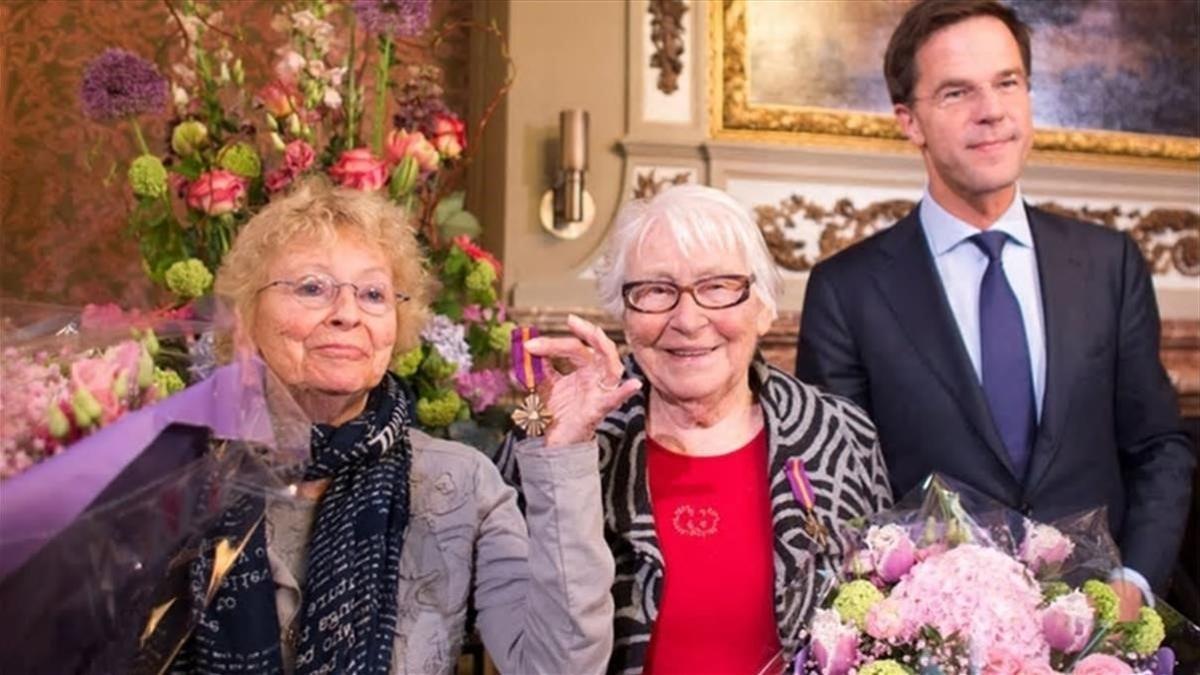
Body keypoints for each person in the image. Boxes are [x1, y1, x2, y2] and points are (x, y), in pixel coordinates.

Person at [796, 0, 1195, 618]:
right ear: (909, 121)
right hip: (936, 639)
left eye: (1007, 82)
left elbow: (1159, 446)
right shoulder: (845, 291)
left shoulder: (1108, 263)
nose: (992, 111)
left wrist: (1136, 584)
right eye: (957, 92)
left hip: (1101, 634)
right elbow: (839, 495)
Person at [172, 179, 614, 674]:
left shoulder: (462, 484)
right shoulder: (176, 475)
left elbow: (559, 667)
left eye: (373, 293)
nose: (347, 314)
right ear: (246, 318)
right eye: (312, 287)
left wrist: (565, 453)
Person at [494, 184, 892, 674]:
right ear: (624, 314)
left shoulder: (840, 436)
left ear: (763, 307)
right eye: (656, 290)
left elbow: (883, 623)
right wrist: (564, 451)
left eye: (718, 287)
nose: (687, 319)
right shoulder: (549, 446)